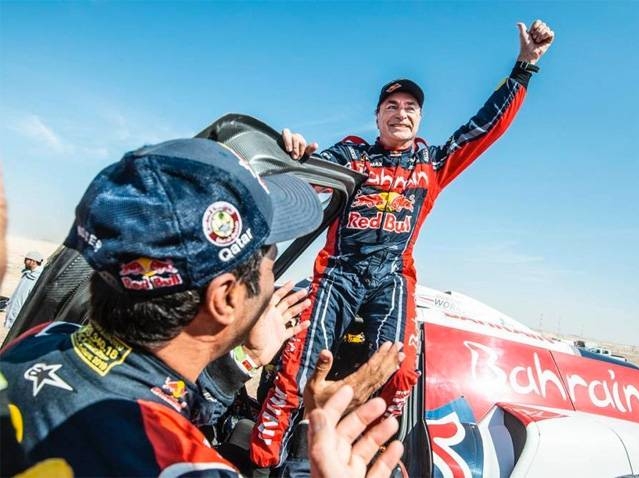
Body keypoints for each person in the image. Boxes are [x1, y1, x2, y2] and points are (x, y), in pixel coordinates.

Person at [0, 138, 403, 477]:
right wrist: (318, 454)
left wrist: (243, 359)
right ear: (226, 297)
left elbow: (150, 390)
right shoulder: (191, 469)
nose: (272, 271)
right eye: (268, 253)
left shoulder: (44, 340)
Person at [252, 19, 555, 468]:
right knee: (297, 366)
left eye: (410, 106)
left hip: (392, 275)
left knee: (398, 371)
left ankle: (375, 457)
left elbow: (483, 127)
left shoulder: (432, 162)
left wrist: (524, 67)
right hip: (339, 270)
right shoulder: (354, 152)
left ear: (420, 117)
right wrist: (292, 151)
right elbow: (306, 174)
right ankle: (260, 463)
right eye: (391, 105)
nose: (401, 113)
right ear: (378, 116)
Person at [3, 250, 44, 329]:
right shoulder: (27, 274)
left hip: (22, 315)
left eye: (27, 259)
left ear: (33, 261)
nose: (24, 261)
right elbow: (17, 293)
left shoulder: (39, 277)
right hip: (13, 311)